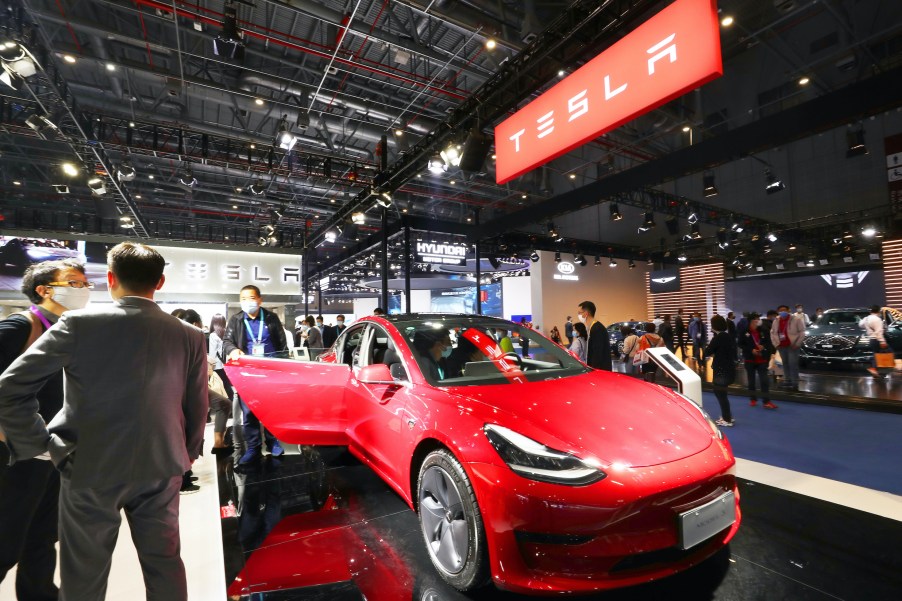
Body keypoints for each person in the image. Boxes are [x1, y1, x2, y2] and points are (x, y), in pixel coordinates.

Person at [0, 242, 208, 601]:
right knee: (164, 562)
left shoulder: (78, 324)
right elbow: (197, 405)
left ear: (110, 278)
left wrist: (41, 445)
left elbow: (11, 389)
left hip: (90, 464)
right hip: (162, 464)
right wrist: (184, 456)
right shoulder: (189, 335)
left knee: (84, 572)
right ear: (159, 283)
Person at [0, 259, 90, 601]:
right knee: (7, 540)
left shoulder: (68, 330)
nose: (82, 289)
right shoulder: (19, 327)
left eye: (85, 283)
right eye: (73, 282)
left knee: (42, 537)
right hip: (16, 452)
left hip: (54, 451)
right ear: (44, 290)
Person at [223, 285, 288, 464]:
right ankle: (253, 447)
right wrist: (233, 349)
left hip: (270, 373)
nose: (247, 302)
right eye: (243, 298)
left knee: (271, 410)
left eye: (251, 298)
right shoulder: (236, 320)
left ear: (259, 299)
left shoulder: (271, 318)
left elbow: (282, 346)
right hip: (247, 374)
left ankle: (273, 442)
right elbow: (227, 341)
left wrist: (284, 371)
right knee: (249, 412)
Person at [738, 313, 777, 409]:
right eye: (756, 319)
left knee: (764, 380)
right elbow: (740, 344)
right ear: (751, 321)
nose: (758, 320)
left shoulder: (763, 330)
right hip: (750, 359)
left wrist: (763, 346)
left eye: (759, 319)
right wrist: (751, 350)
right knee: (751, 381)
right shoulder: (744, 331)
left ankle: (766, 401)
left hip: (762, 359)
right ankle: (753, 399)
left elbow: (768, 342)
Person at [705, 315, 736, 427]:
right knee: (723, 394)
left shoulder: (718, 338)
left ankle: (727, 419)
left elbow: (707, 351)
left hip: (721, 369)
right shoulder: (727, 336)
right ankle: (727, 417)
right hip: (728, 367)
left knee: (720, 394)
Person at [770, 304, 805, 390]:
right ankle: (787, 380)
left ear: (788, 310)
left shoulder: (796, 319)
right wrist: (776, 344)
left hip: (792, 346)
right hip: (781, 346)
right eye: (780, 310)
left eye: (784, 310)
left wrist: (797, 344)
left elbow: (802, 332)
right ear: (778, 312)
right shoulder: (776, 320)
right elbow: (773, 333)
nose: (783, 312)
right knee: (785, 364)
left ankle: (794, 383)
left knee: (793, 364)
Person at [577, 301, 612, 371]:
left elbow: (597, 354)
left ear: (586, 313)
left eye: (579, 313)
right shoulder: (592, 327)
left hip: (600, 371)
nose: (578, 315)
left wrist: (593, 371)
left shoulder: (597, 329)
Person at [860, 305, 889, 379]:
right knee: (884, 354)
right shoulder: (877, 319)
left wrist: (868, 328)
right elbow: (879, 332)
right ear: (879, 311)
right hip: (877, 339)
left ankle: (875, 369)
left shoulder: (866, 319)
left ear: (871, 311)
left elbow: (860, 325)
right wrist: (882, 342)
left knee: (875, 354)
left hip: (871, 339)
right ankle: (876, 369)